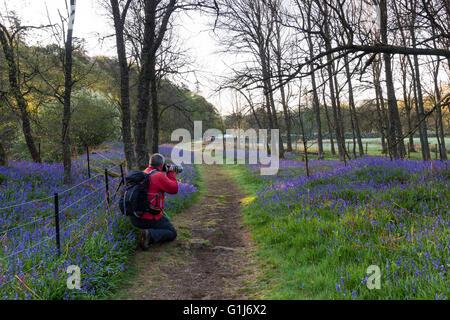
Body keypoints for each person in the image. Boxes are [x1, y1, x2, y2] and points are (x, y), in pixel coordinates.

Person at [129, 153, 178, 249]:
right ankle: (149, 235)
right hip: (148, 219)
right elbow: (174, 189)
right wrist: (171, 173)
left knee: (164, 220)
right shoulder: (158, 176)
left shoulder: (142, 173)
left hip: (135, 217)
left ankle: (146, 231)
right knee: (172, 232)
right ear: (161, 165)